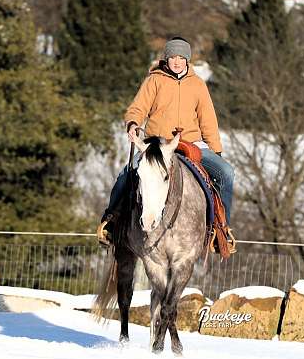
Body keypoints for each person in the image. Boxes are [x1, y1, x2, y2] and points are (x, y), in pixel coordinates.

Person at [97, 36, 235, 248]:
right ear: (166, 59)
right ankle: (111, 222)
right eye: (172, 57)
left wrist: (215, 151)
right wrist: (133, 123)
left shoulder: (198, 84)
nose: (177, 62)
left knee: (226, 173)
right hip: (157, 144)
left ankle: (220, 229)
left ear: (187, 60)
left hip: (190, 142)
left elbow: (208, 119)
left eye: (181, 57)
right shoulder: (154, 80)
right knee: (128, 172)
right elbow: (137, 108)